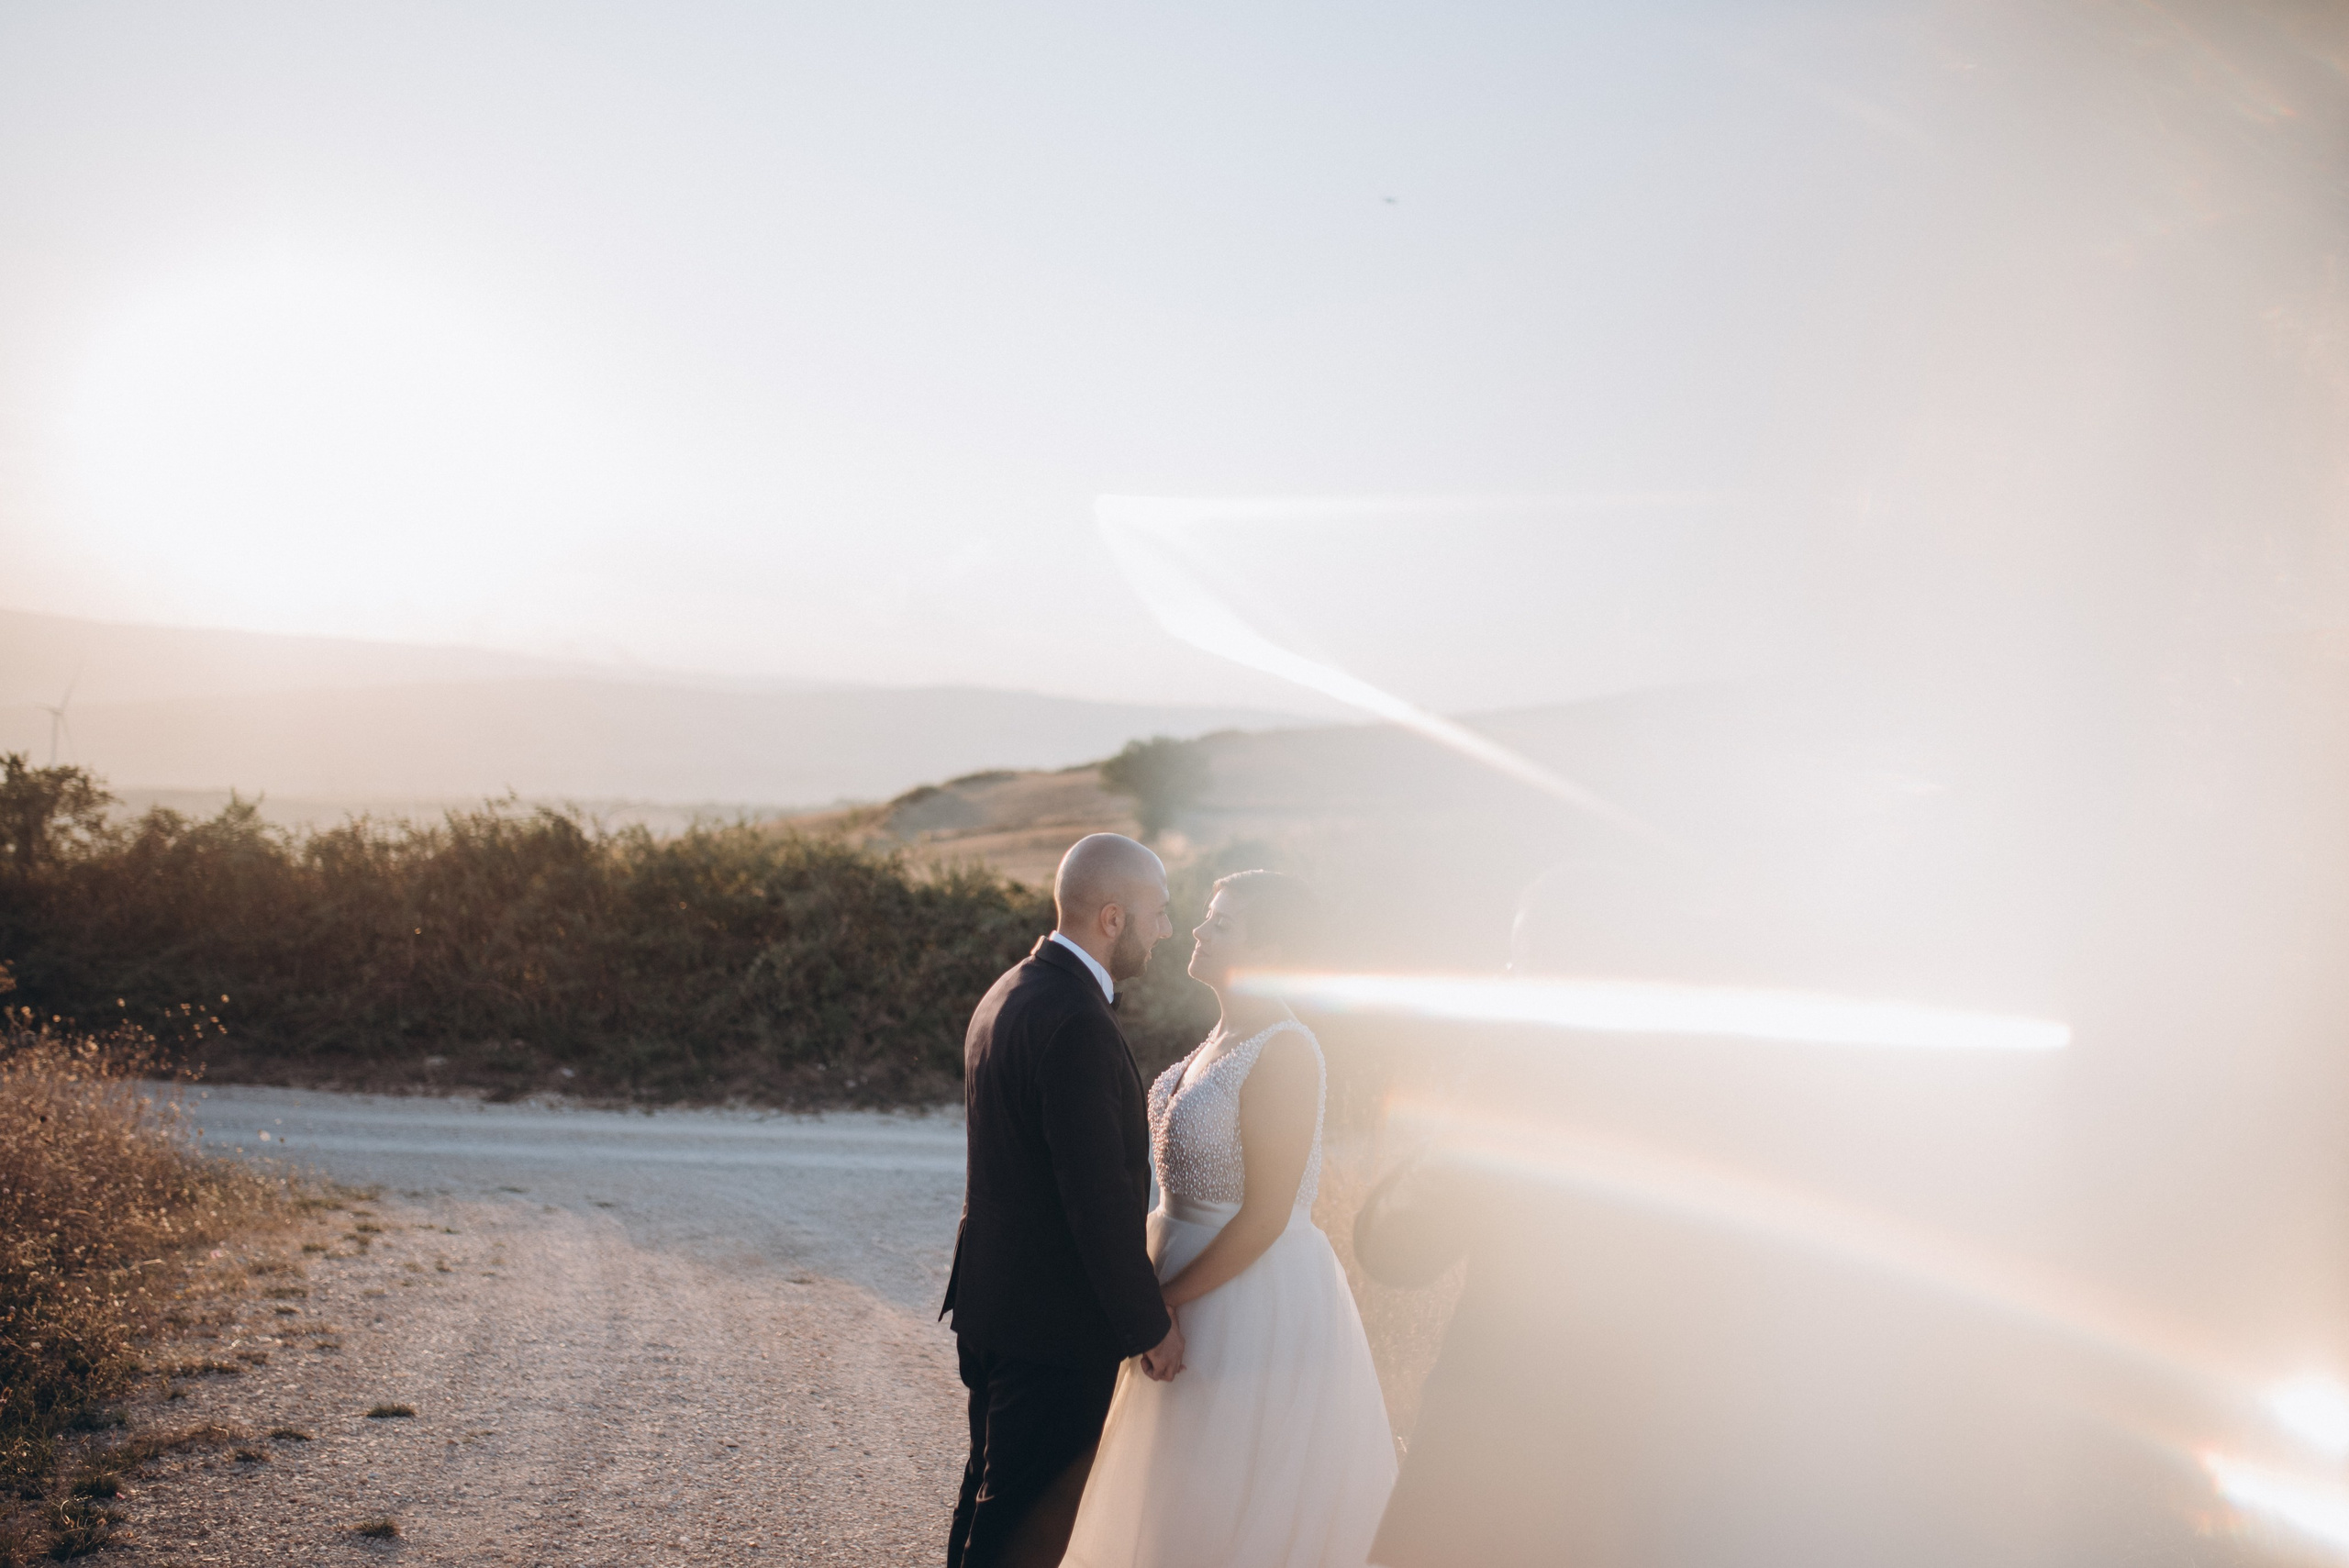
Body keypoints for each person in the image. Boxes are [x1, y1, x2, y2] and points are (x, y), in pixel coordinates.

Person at [1062, 870, 1397, 1568]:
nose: (1199, 930)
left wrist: (1159, 1301)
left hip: (1248, 1297)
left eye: (1222, 923)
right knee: (1165, 1488)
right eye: (1207, 918)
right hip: (1178, 1274)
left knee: (1228, 1491)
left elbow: (1269, 1214)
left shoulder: (1285, 1049)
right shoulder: (1216, 1037)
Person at [941, 832, 1187, 1568]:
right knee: (1023, 1533)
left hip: (994, 1304)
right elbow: (1096, 1200)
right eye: (1158, 912)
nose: (1166, 929)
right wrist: (1148, 1324)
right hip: (1051, 1327)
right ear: (1113, 917)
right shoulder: (1077, 1020)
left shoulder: (1010, 988)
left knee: (986, 1501)